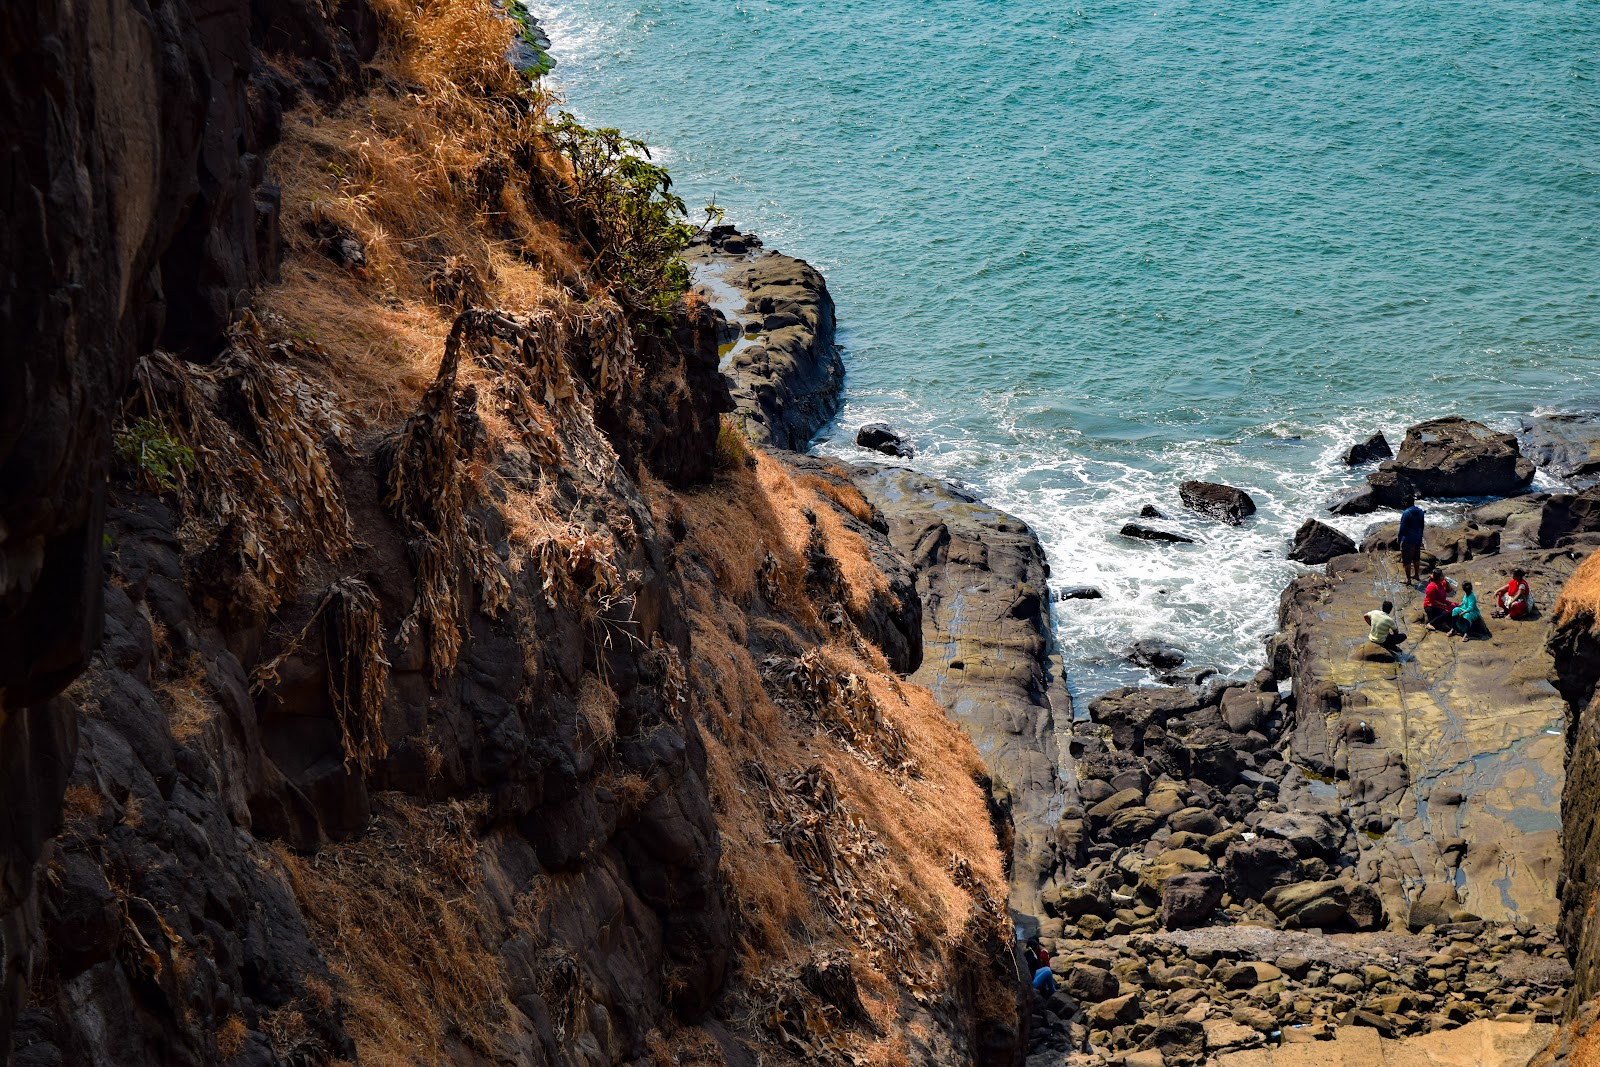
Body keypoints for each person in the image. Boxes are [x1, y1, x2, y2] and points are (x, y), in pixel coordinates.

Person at [1398, 496, 1426, 584]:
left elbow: (1402, 528)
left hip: (1408, 539)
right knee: (1416, 557)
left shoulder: (1406, 513)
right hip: (1417, 538)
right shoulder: (1421, 512)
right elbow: (1422, 526)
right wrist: (1420, 536)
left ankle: (1408, 579)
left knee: (1407, 559)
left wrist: (1399, 539)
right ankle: (1417, 575)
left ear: (1407, 503)